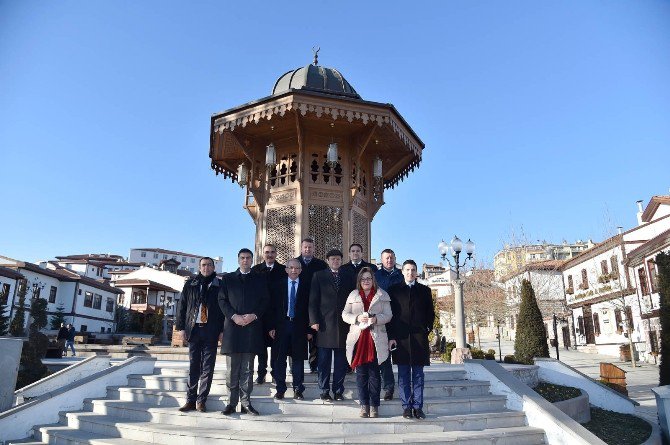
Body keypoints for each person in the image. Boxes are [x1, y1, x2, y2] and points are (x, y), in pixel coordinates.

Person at [218, 248, 269, 416]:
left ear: (252, 260)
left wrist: (253, 315)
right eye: (242, 258)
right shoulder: (228, 279)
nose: (245, 260)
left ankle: (246, 403)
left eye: (248, 258)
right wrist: (234, 316)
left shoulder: (259, 279)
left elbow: (265, 301)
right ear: (238, 260)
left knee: (247, 369)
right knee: (232, 370)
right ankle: (231, 404)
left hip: (251, 329)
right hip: (233, 328)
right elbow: (222, 300)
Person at [174, 257, 225, 413]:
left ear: (213, 267)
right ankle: (190, 400)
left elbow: (224, 310)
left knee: (207, 368)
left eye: (209, 265)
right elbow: (181, 307)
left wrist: (222, 330)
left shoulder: (220, 285)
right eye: (203, 265)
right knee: (194, 366)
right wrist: (181, 328)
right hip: (194, 330)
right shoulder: (190, 284)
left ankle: (201, 401)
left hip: (211, 331)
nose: (206, 267)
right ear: (199, 267)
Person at [387, 260, 435, 420]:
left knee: (418, 375)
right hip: (400, 339)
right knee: (403, 374)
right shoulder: (394, 290)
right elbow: (390, 316)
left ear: (416, 272)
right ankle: (406, 407)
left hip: (419, 338)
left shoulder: (424, 290)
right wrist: (391, 336)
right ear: (402, 271)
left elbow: (430, 313)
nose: (410, 273)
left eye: (413, 270)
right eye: (407, 270)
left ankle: (418, 407)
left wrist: (427, 328)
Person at [342, 267, 392, 418]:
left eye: (369, 278)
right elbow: (345, 314)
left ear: (373, 280)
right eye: (363, 279)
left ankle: (374, 406)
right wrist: (356, 318)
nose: (366, 281)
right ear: (359, 281)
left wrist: (376, 319)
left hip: (375, 339)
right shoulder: (353, 294)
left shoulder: (382, 294)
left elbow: (389, 315)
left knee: (374, 375)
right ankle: (364, 405)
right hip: (358, 339)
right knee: (361, 375)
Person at [309, 249, 355, 401]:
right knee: (323, 361)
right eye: (333, 259)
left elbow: (354, 300)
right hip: (324, 325)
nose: (335, 261)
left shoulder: (348, 276)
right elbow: (313, 301)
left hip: (344, 325)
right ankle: (324, 390)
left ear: (341, 261)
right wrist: (313, 321)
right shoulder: (319, 276)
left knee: (341, 362)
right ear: (327, 260)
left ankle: (338, 391)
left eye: (338, 259)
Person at [268, 258, 310, 400]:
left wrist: (309, 330)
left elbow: (310, 309)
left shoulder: (306, 286)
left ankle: (298, 389)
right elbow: (271, 308)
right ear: (286, 269)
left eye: (297, 268)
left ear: (300, 270)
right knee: (279, 359)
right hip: (281, 326)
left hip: (299, 327)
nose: (294, 270)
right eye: (291, 267)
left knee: (298, 359)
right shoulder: (277, 285)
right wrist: (271, 326)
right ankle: (280, 389)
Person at [251, 243, 286, 384]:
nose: (269, 255)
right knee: (261, 347)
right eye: (267, 252)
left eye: (272, 252)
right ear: (263, 254)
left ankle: (276, 373)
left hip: (277, 314)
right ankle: (261, 373)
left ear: (276, 254)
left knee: (276, 347)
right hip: (260, 315)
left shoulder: (283, 270)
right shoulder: (255, 270)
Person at [374, 248, 403, 400]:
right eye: (386, 258)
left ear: (394, 258)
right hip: (382, 319)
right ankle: (388, 387)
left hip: (398, 319)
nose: (389, 260)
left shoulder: (401, 275)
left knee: (401, 355)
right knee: (384, 355)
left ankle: (405, 386)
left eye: (391, 257)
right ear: (382, 260)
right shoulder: (376, 276)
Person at [297, 238, 327, 373]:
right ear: (301, 248)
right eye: (305, 247)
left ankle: (314, 365)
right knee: (299, 336)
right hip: (299, 305)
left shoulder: (320, 264)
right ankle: (296, 367)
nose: (307, 250)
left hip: (317, 305)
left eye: (310, 247)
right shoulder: (295, 263)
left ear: (313, 249)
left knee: (315, 337)